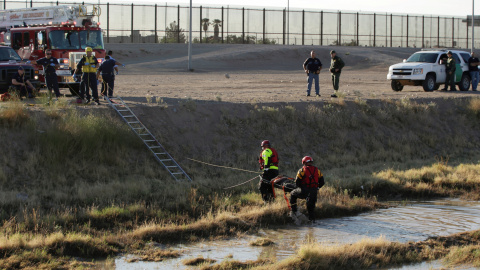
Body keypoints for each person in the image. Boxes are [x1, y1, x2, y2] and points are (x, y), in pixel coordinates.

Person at [290, 156, 325, 223]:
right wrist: (317, 188)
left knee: (292, 194)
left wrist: (300, 188)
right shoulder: (317, 170)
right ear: (311, 162)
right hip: (314, 192)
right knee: (311, 209)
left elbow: (297, 182)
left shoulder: (302, 170)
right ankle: (312, 224)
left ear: (304, 162)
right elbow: (322, 182)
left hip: (304, 191)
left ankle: (294, 210)